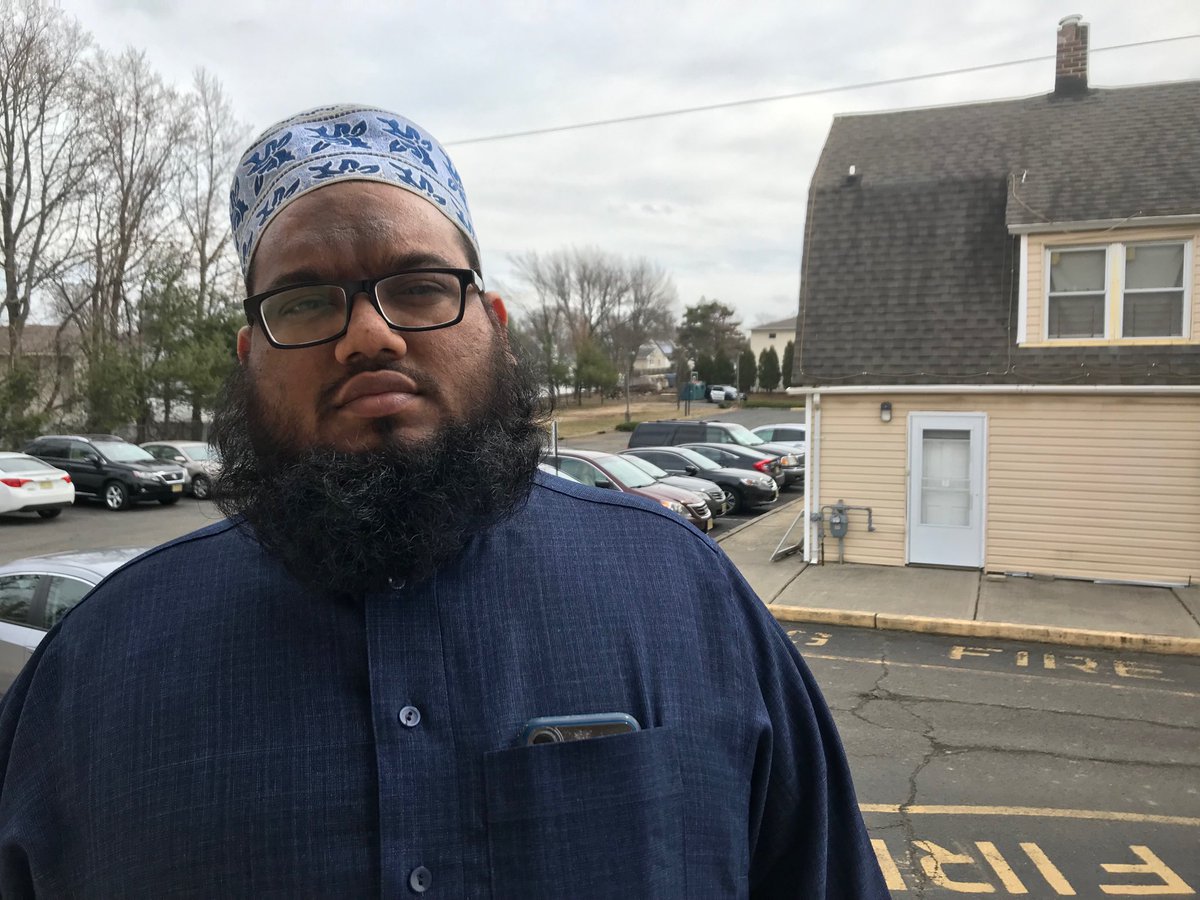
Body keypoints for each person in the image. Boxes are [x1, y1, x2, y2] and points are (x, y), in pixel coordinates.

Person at [0, 104, 888, 897]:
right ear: (248, 356)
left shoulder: (688, 597)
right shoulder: (92, 670)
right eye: (305, 303)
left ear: (493, 326)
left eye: (421, 287)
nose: (369, 335)